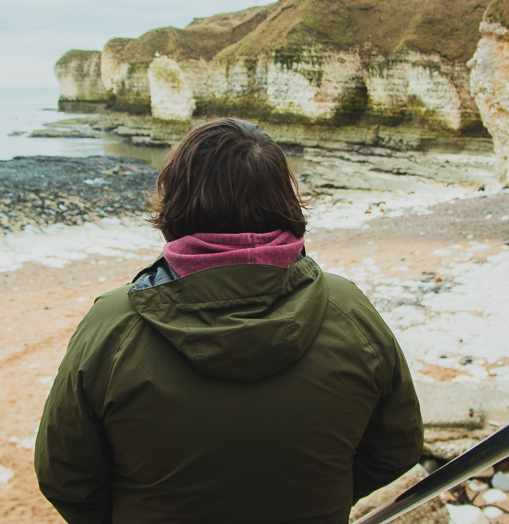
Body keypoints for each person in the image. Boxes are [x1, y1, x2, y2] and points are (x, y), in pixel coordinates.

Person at [35, 118, 423, 524]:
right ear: (283, 199)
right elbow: (399, 444)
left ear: (176, 201)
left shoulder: (114, 324)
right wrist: (323, 494)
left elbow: (65, 475)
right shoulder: (347, 309)